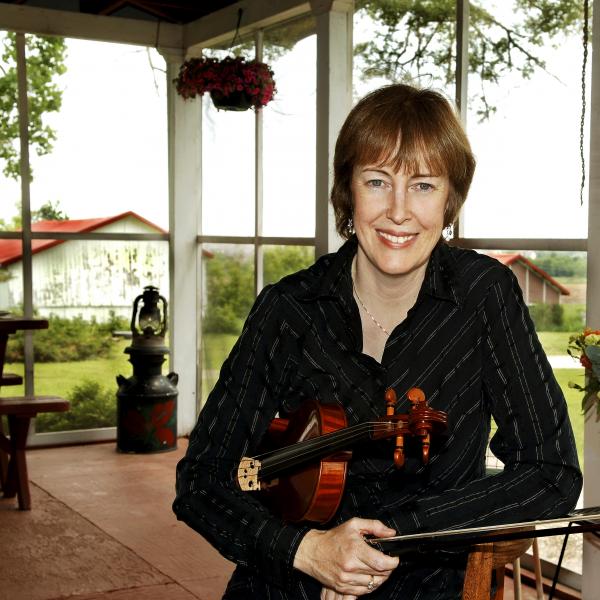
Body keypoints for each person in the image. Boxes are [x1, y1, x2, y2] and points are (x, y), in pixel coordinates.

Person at [173, 83, 582, 599]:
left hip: (421, 584)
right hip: (286, 581)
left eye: (424, 186)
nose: (398, 211)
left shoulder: (484, 296)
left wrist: (396, 531)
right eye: (377, 181)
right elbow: (202, 480)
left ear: (451, 199)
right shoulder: (289, 309)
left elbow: (551, 471)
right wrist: (307, 551)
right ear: (348, 189)